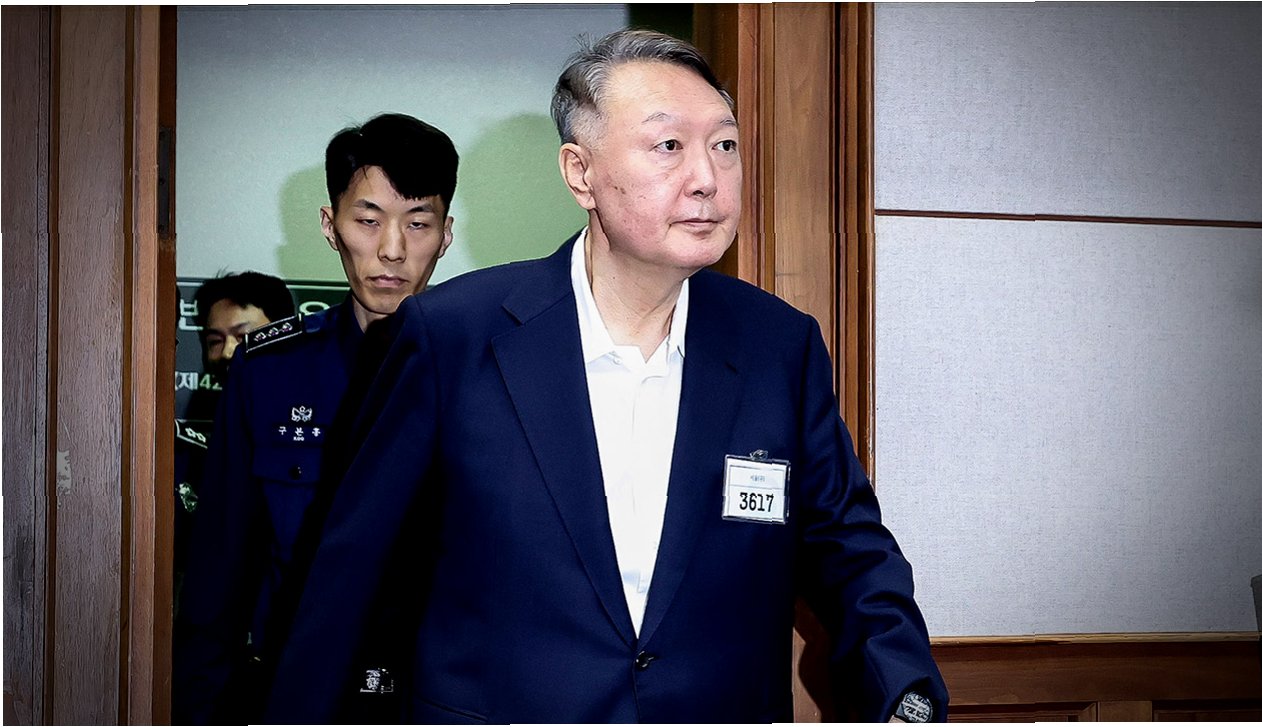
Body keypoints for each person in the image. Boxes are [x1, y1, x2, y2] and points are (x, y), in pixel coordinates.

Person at [268, 30, 947, 724]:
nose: (707, 177)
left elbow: (847, 547)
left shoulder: (777, 344)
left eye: (724, 145)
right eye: (668, 145)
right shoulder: (451, 336)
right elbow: (347, 576)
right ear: (580, 173)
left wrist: (907, 693)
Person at [173, 112, 459, 724]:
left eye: (418, 223)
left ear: (446, 234)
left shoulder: (483, 368)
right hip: (297, 695)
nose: (392, 249)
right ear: (331, 226)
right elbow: (219, 573)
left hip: (437, 699)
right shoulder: (268, 371)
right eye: (368, 220)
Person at [175, 272, 295, 611]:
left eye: (243, 337)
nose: (228, 352)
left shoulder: (319, 431)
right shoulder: (189, 452)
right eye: (215, 340)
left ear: (285, 335)